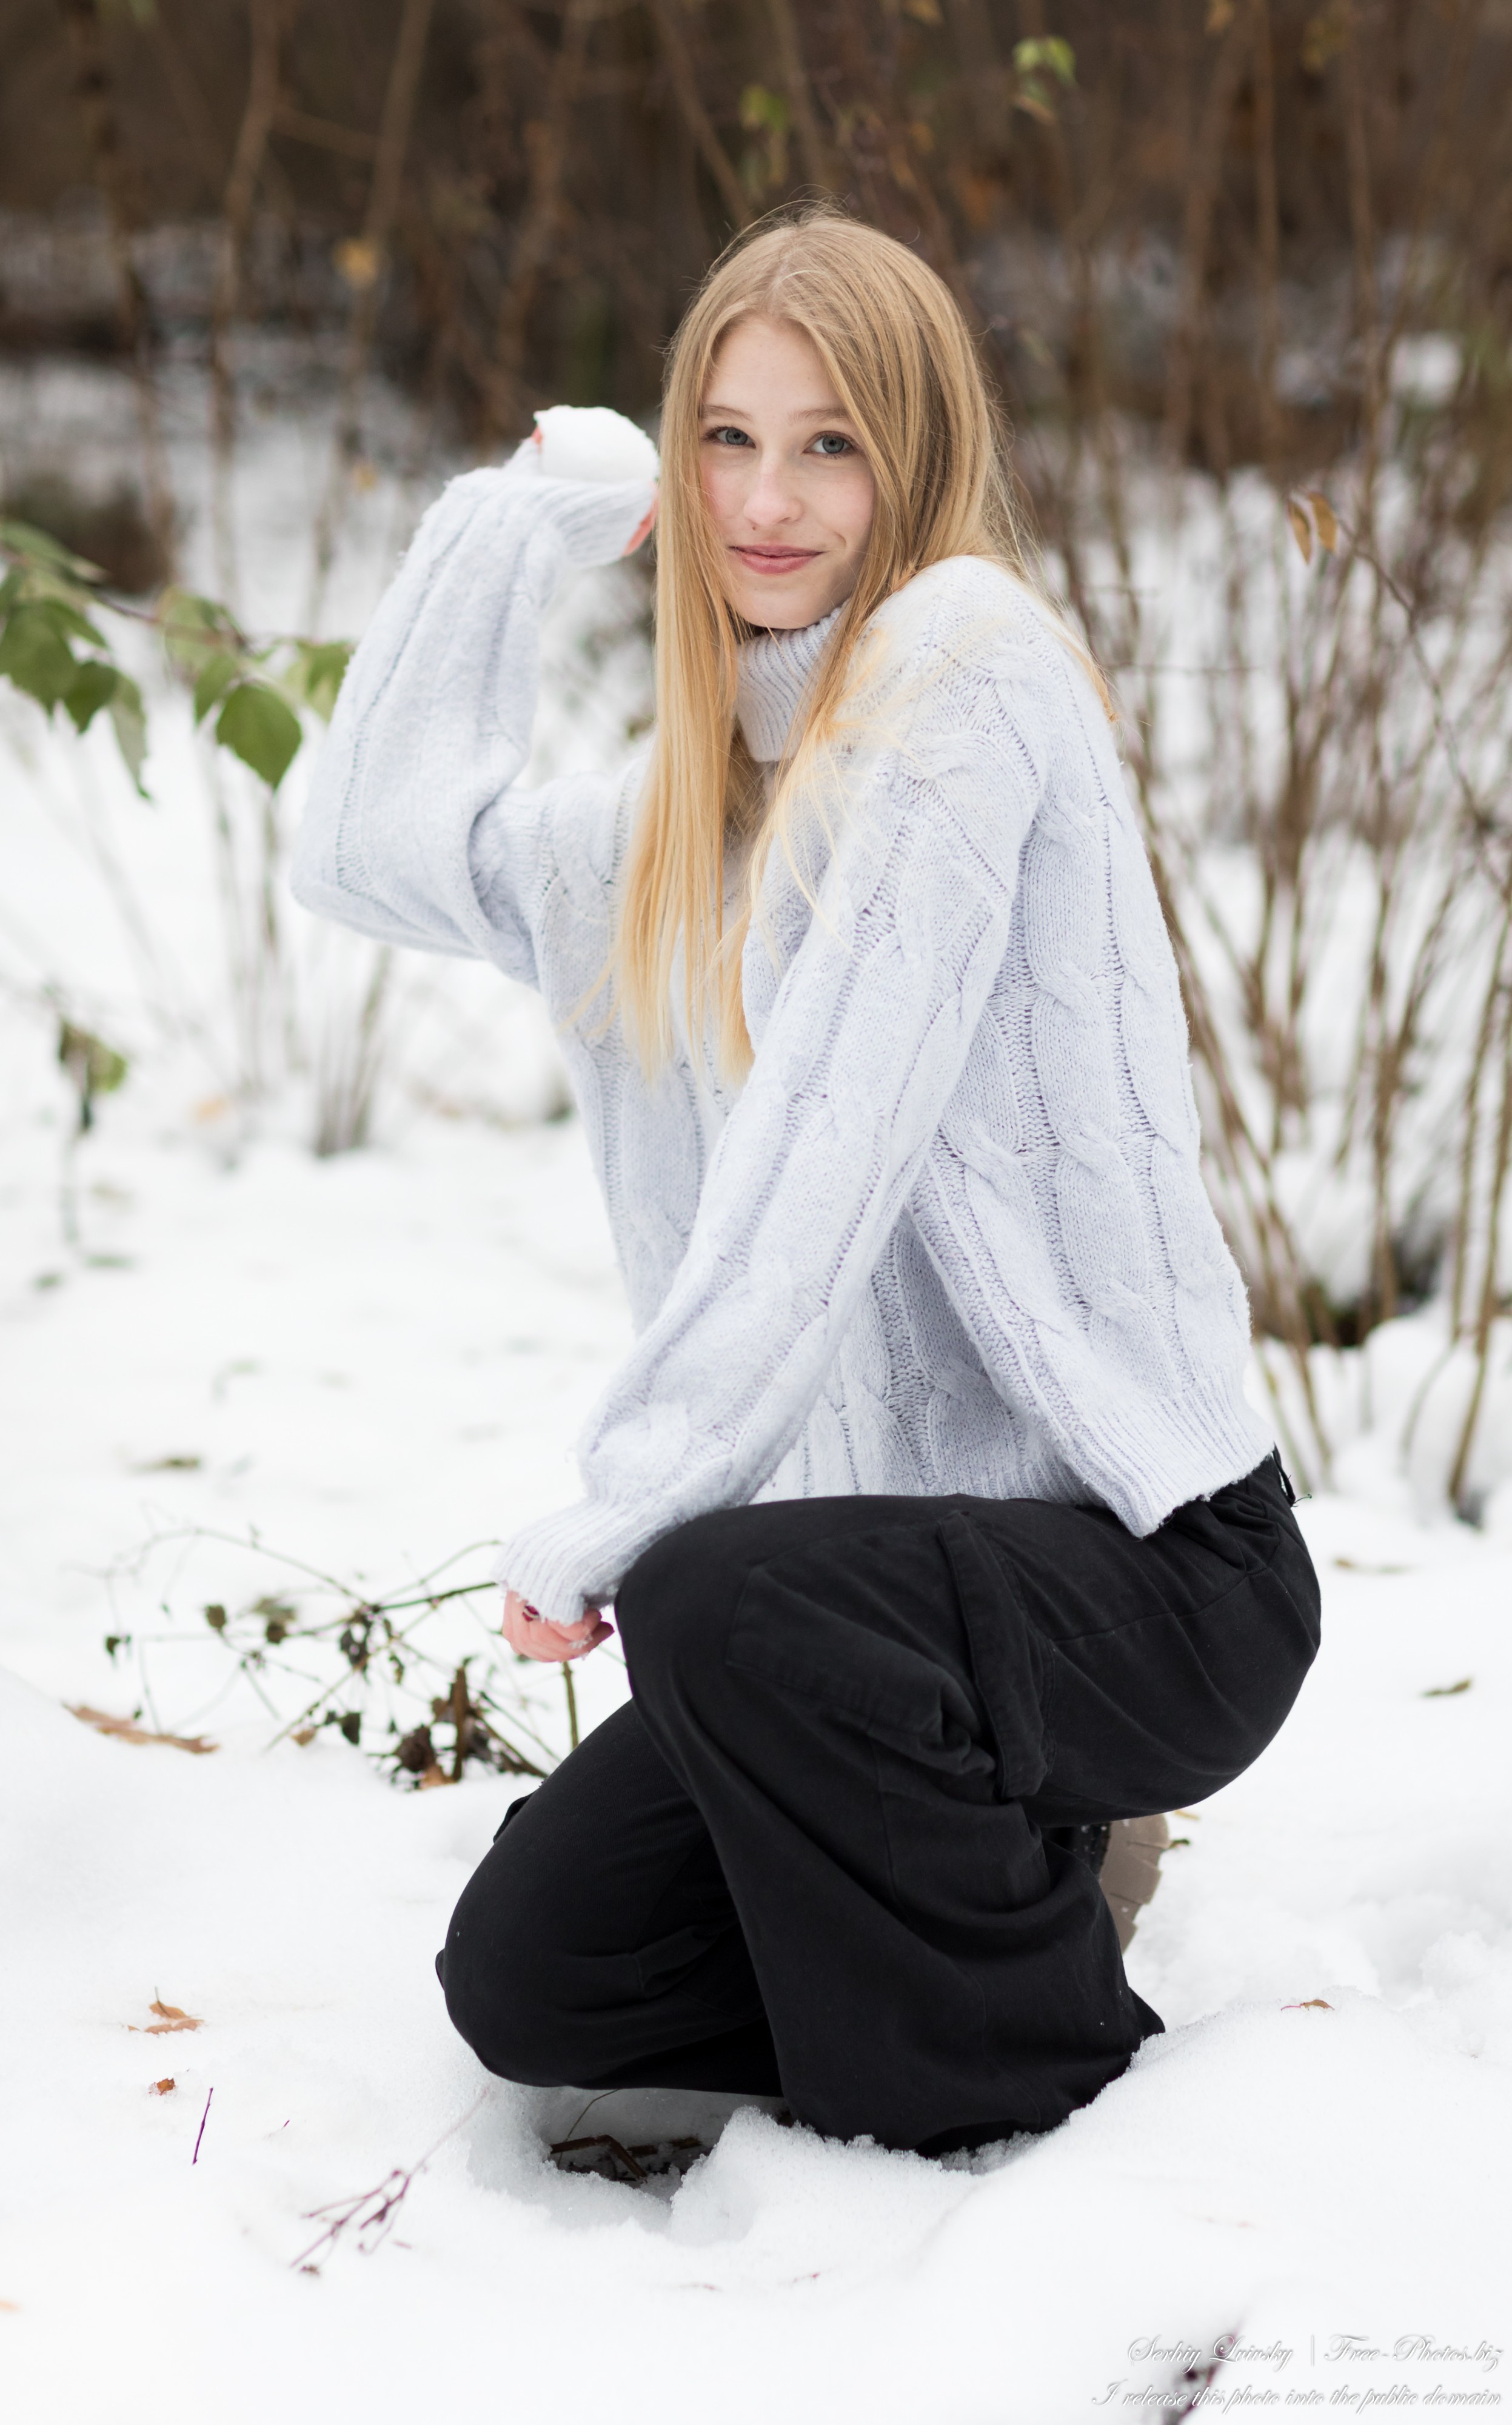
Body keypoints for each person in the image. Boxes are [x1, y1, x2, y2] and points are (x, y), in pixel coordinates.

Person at [292, 206, 1320, 2158]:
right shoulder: (676, 827)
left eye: (830, 442)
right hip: (865, 1633)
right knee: (537, 1976)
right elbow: (363, 846)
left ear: (913, 453)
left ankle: (1022, 2097)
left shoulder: (975, 673)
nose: (768, 499)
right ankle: (1002, 1909)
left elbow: (825, 1144)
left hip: (1150, 1572)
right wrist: (518, 526)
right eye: (727, 438)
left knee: (713, 1598)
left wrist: (633, 1498)